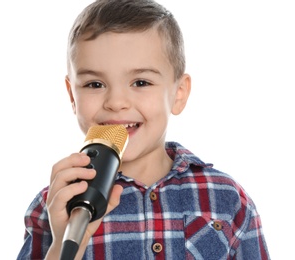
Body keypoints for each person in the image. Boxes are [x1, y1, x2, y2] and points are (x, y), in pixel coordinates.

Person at [17, 0, 270, 259]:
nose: (116, 103)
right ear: (72, 95)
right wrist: (64, 242)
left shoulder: (225, 198)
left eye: (140, 82)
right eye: (94, 84)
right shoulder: (55, 204)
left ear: (178, 94)